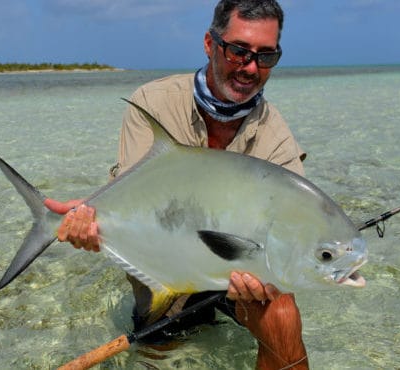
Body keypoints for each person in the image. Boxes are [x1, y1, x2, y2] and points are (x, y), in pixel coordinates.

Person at [47, 0, 309, 368]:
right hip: (165, 266)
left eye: (266, 56)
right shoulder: (153, 104)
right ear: (209, 43)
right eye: (238, 51)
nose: (250, 67)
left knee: (282, 320)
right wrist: (94, 222)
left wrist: (272, 275)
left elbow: (292, 229)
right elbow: (135, 199)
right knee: (161, 357)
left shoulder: (275, 135)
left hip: (243, 271)